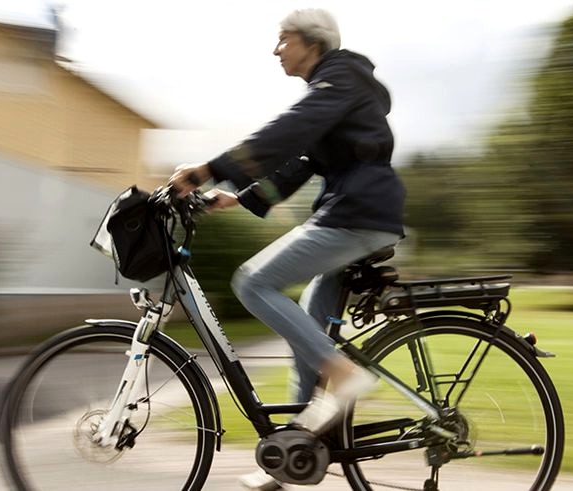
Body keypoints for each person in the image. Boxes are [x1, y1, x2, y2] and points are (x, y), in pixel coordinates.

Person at [169, 8, 405, 489]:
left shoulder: (338, 77)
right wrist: (241, 197)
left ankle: (342, 375)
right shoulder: (337, 90)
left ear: (313, 42)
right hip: (359, 212)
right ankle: (298, 449)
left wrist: (209, 168)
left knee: (253, 282)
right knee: (306, 325)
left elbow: (291, 130)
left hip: (357, 214)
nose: (276, 49)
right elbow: (300, 161)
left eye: (283, 39)